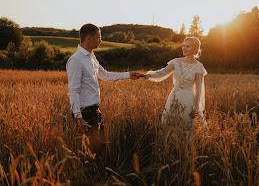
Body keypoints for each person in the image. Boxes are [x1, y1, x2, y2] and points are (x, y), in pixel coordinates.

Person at [66, 23, 139, 153]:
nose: (101, 41)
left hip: (95, 110)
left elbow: (105, 75)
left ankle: (98, 172)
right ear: (88, 38)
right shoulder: (76, 60)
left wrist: (129, 75)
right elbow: (73, 90)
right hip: (85, 112)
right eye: (98, 38)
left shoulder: (92, 57)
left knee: (101, 147)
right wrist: (79, 117)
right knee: (90, 152)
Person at [141, 36, 207, 130]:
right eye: (183, 45)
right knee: (170, 124)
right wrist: (148, 75)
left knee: (187, 127)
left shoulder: (198, 67)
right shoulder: (176, 62)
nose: (184, 48)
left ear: (195, 49)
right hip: (174, 97)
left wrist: (196, 108)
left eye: (187, 46)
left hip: (189, 100)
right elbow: (162, 72)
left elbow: (198, 90)